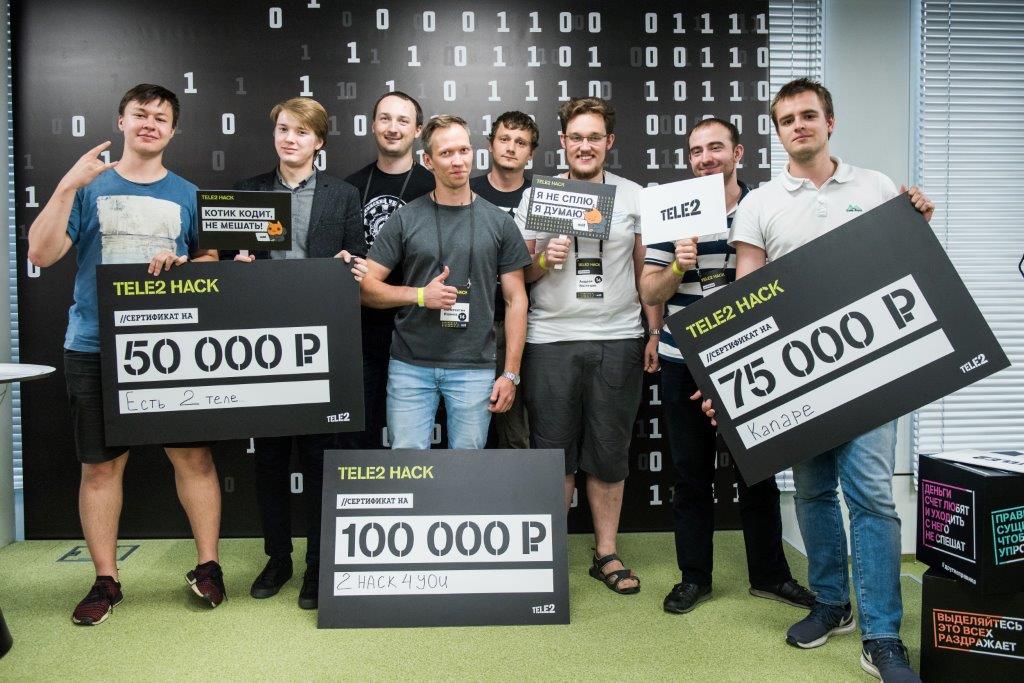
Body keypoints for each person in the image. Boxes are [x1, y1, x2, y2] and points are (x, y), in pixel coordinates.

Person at [706, 78, 933, 682]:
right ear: (777, 132)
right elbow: (747, 295)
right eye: (787, 120)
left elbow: (906, 266)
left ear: (830, 122)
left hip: (873, 370)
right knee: (811, 492)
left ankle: (882, 635)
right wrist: (730, 379)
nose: (799, 126)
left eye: (808, 116)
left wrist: (920, 225)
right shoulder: (760, 203)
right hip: (797, 376)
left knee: (872, 497)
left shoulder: (876, 187)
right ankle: (832, 604)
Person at [26, 84, 224, 623]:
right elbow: (41, 253)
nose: (150, 124)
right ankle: (106, 581)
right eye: (140, 114)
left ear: (173, 131)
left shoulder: (188, 193)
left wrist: (186, 264)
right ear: (121, 122)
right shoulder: (87, 185)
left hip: (172, 347)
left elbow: (211, 261)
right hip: (95, 344)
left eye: (161, 117)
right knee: (100, 469)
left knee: (195, 459)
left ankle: (208, 567)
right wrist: (67, 185)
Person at [639, 118, 815, 614]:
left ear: (738, 153)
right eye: (696, 151)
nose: (705, 158)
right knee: (690, 475)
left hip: (751, 358)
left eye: (715, 147)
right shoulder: (674, 211)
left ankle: (770, 576)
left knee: (758, 472)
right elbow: (649, 291)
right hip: (682, 360)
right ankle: (694, 577)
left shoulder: (765, 205)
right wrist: (678, 264)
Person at [514, 97, 661, 595]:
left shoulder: (633, 197)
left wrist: (654, 332)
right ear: (563, 142)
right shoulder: (540, 197)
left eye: (594, 137)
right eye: (576, 137)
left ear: (609, 142)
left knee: (609, 449)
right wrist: (545, 260)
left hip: (618, 337)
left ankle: (606, 553)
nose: (584, 145)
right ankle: (549, 555)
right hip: (551, 338)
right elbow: (519, 276)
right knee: (553, 451)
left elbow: (645, 272)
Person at [230, 97, 366, 610]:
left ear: (319, 142)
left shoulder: (343, 195)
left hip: (321, 344)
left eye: (302, 132)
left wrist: (351, 263)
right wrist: (235, 266)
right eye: (284, 129)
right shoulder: (247, 193)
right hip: (262, 346)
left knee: (318, 460)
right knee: (268, 459)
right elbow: (223, 265)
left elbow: (359, 261)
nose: (290, 139)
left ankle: (316, 564)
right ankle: (278, 558)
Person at [354, 115, 531, 449]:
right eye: (446, 153)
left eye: (463, 150)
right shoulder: (405, 218)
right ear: (428, 160)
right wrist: (420, 295)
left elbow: (516, 299)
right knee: (408, 468)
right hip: (410, 366)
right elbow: (366, 288)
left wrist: (510, 373)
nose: (458, 160)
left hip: (473, 367)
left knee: (466, 469)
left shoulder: (499, 222)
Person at [344, 92, 435, 449]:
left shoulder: (435, 186)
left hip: (420, 329)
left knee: (416, 441)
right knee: (359, 433)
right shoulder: (350, 187)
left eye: (402, 120)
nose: (393, 128)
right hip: (362, 330)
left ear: (418, 130)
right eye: (385, 118)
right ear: (372, 125)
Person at [469, 111, 539, 449]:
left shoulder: (543, 196)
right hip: (471, 321)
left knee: (517, 431)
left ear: (531, 153)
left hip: (524, 322)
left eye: (521, 142)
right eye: (504, 139)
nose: (511, 148)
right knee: (468, 429)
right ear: (490, 144)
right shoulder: (467, 191)